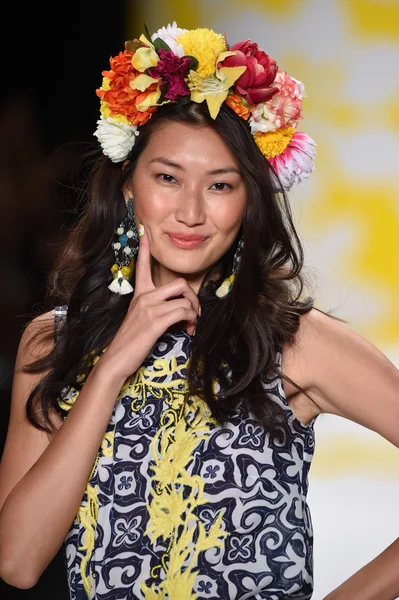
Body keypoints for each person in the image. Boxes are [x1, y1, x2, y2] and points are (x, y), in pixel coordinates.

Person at [0, 21, 398, 600]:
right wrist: (112, 367)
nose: (190, 211)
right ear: (129, 186)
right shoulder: (54, 344)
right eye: (167, 178)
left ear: (248, 201)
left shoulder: (293, 342)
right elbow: (17, 560)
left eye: (219, 186)